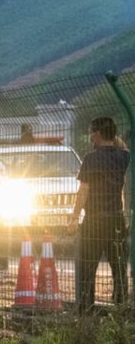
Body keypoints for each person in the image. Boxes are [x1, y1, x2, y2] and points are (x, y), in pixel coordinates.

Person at [68, 117, 130, 312]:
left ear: (96, 134)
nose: (89, 136)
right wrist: (112, 137)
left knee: (88, 266)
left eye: (90, 132)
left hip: (94, 220)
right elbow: (125, 147)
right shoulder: (123, 157)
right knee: (118, 267)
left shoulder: (91, 158)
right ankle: (121, 306)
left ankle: (86, 308)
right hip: (116, 219)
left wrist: (74, 218)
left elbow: (83, 191)